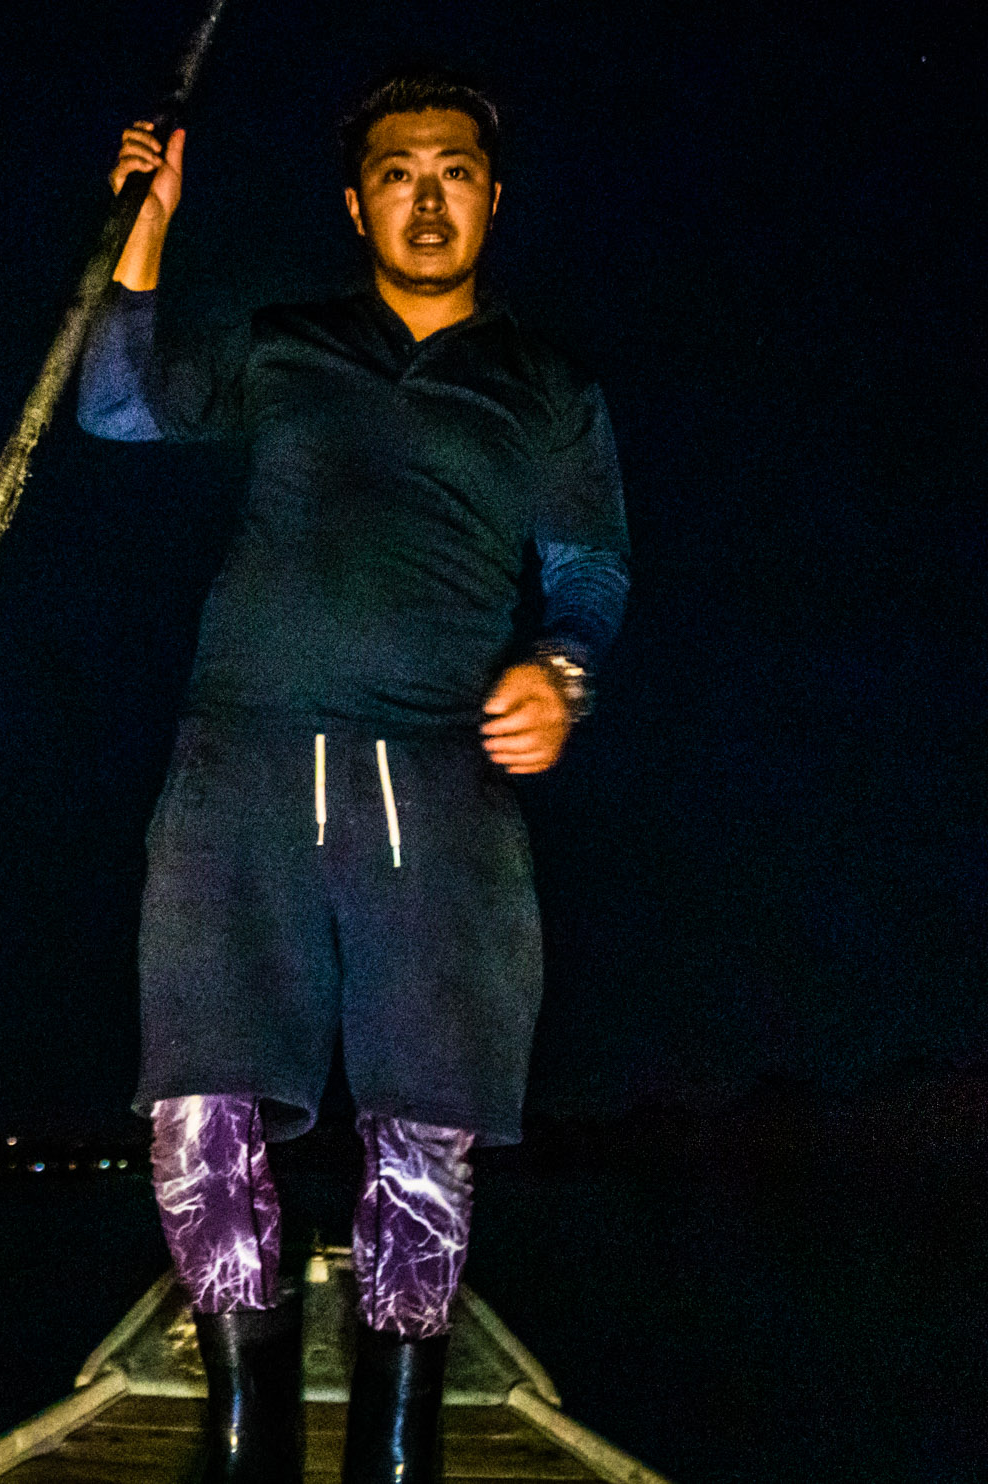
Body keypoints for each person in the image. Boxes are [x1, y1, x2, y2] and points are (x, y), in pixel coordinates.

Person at [77, 66, 630, 1484]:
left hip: (436, 779)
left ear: (493, 198)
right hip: (240, 763)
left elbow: (586, 582)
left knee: (425, 1120)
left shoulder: (550, 389)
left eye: (455, 170)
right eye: (398, 170)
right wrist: (144, 227)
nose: (428, 194)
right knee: (199, 1107)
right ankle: (242, 1428)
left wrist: (556, 680)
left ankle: (399, 1445)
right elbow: (122, 410)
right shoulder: (287, 343)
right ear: (355, 199)